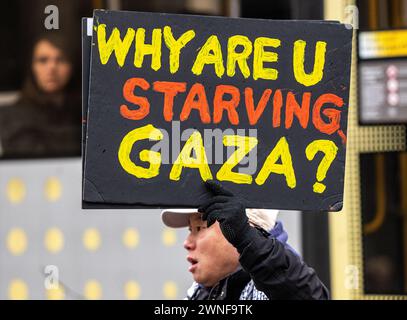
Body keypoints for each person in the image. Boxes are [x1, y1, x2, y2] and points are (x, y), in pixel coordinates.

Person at [161, 180, 329, 300]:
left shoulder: (280, 287)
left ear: (242, 227)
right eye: (191, 230)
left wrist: (248, 241)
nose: (187, 243)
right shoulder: (201, 293)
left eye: (199, 228)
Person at [0, 33, 81, 158]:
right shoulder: (11, 116)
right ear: (32, 67)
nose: (52, 67)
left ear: (72, 67)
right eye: (43, 60)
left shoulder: (85, 113)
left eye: (61, 59)